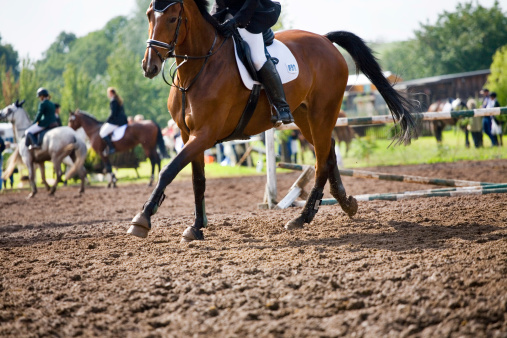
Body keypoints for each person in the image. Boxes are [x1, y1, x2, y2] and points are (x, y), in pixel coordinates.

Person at [212, 0, 294, 125]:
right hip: (228, 14)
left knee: (257, 59)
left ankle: (282, 106)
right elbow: (219, 4)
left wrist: (236, 21)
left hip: (250, 15)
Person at [100, 87, 128, 156]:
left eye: (108, 93)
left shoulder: (113, 101)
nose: (108, 95)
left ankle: (111, 147)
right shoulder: (118, 100)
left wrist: (107, 121)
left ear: (111, 93)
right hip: (122, 120)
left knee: (102, 132)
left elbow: (113, 114)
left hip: (116, 122)